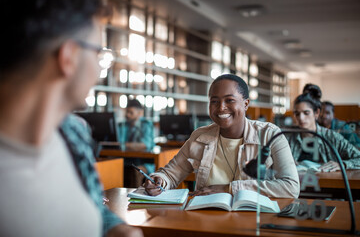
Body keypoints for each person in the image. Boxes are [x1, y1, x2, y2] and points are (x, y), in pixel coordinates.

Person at [0, 0, 142, 237]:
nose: (99, 70)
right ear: (70, 56)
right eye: (99, 54)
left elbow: (92, 204)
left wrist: (117, 229)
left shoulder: (73, 133)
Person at [145, 74, 300, 198]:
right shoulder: (200, 136)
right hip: (206, 215)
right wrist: (160, 181)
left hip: (252, 217)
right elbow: (171, 174)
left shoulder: (270, 134)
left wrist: (230, 189)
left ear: (246, 104)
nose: (221, 108)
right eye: (214, 101)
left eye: (229, 100)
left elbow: (291, 186)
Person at [287, 87, 360, 172]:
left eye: (306, 113)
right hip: (297, 183)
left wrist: (342, 164)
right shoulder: (288, 138)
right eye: (297, 114)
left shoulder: (332, 137)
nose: (301, 118)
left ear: (317, 113)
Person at [118, 99, 155, 187]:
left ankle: (135, 198)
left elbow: (145, 145)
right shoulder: (123, 125)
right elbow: (117, 141)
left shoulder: (146, 125)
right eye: (126, 112)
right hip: (127, 161)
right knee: (112, 167)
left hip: (145, 162)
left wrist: (123, 145)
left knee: (136, 171)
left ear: (139, 113)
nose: (127, 115)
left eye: (131, 112)